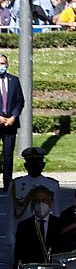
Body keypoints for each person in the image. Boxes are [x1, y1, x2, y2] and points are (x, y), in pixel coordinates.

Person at [11, 147, 59, 222]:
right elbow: (11, 213)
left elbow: (56, 211)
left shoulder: (52, 184)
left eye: (37, 162)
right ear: (25, 165)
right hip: (23, 228)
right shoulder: (16, 184)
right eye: (31, 162)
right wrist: (11, 233)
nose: (34, 165)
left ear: (43, 165)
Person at [14, 186, 58, 264]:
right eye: (37, 201)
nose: (41, 204)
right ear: (32, 203)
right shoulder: (24, 226)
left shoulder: (59, 223)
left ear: (50, 202)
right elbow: (18, 254)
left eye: (44, 200)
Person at [0, 53, 20, 189]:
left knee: (8, 156)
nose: (1, 66)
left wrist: (13, 116)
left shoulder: (14, 80)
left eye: (3, 63)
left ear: (7, 64)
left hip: (10, 124)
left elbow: (20, 101)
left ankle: (7, 184)